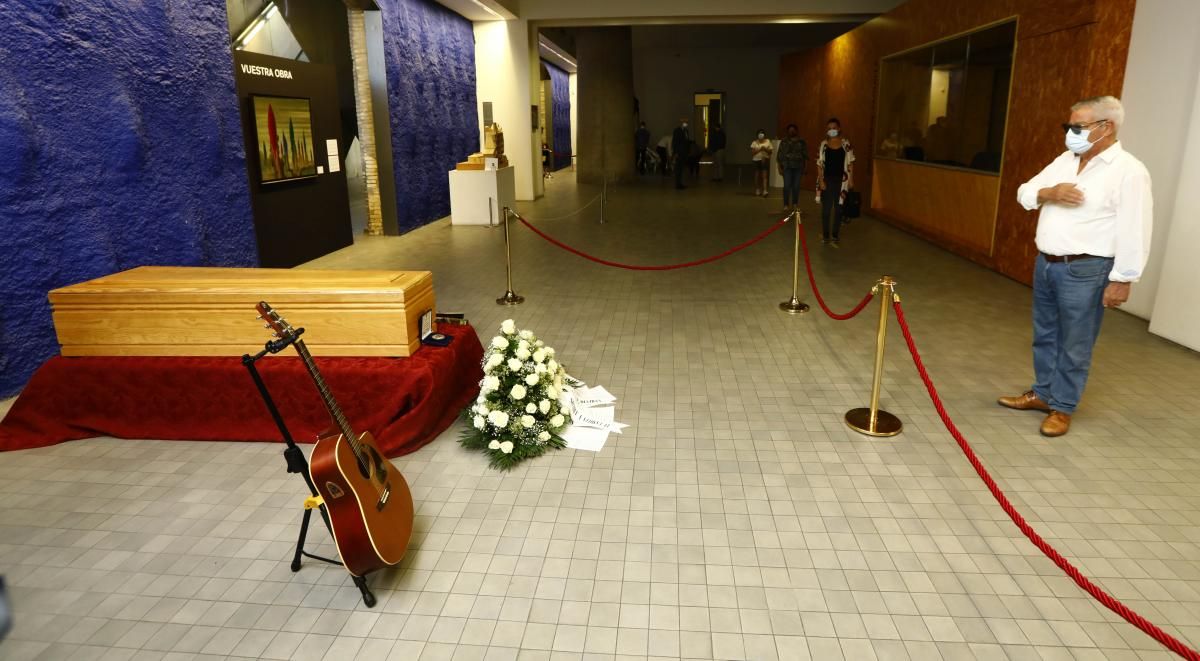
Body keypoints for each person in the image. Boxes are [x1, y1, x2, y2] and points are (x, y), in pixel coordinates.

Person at [999, 95, 1152, 437]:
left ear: (1106, 127)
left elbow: (1136, 228)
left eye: (1077, 126)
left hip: (1087, 271)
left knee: (1075, 342)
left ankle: (1062, 407)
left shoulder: (1129, 171)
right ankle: (1043, 393)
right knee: (1045, 335)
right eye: (1067, 126)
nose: (1070, 133)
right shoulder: (1066, 160)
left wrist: (1123, 279)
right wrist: (1050, 192)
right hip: (1047, 264)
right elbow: (1025, 192)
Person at [814, 117, 854, 245]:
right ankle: (826, 235)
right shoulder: (823, 145)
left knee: (838, 209)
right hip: (827, 180)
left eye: (834, 128)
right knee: (826, 210)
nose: (832, 130)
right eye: (829, 128)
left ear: (839, 128)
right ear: (827, 130)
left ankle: (835, 234)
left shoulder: (846, 144)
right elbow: (819, 164)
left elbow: (851, 163)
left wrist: (851, 179)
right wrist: (821, 181)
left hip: (842, 182)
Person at [777, 123, 807, 211]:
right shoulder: (784, 141)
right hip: (787, 167)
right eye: (790, 130)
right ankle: (786, 204)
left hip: (798, 167)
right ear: (787, 131)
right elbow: (779, 155)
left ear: (796, 131)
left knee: (796, 186)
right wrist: (779, 167)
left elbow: (805, 155)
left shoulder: (802, 141)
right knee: (786, 186)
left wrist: (806, 167)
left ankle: (795, 203)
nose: (791, 131)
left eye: (793, 130)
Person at [750, 129, 772, 197]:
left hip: (765, 160)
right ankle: (757, 189)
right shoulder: (754, 142)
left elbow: (770, 152)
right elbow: (752, 153)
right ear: (757, 135)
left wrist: (765, 149)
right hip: (756, 160)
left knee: (764, 176)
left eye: (762, 134)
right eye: (759, 134)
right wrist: (760, 149)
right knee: (757, 176)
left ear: (764, 135)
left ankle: (765, 190)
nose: (761, 135)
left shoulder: (768, 141)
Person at [672, 118, 691, 190]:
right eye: (685, 122)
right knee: (678, 168)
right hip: (679, 152)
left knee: (682, 168)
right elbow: (675, 142)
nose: (686, 123)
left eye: (687, 122)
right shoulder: (677, 131)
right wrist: (676, 152)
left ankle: (680, 183)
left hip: (684, 153)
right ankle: (678, 184)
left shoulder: (686, 131)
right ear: (682, 123)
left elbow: (687, 142)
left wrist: (688, 151)